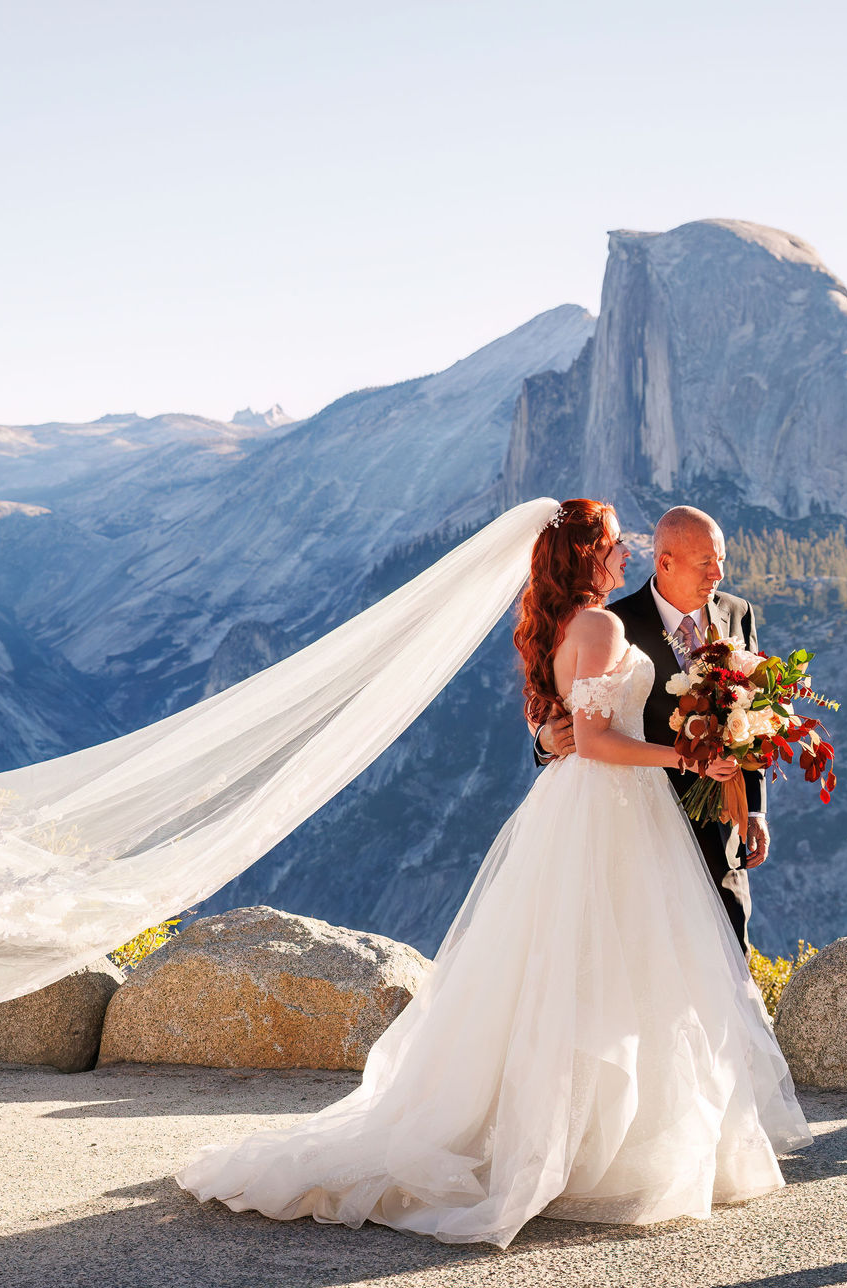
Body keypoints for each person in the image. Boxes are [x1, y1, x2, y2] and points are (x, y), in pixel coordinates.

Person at [178, 499, 811, 1248]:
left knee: (591, 977)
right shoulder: (609, 624)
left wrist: (732, 779)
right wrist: (685, 756)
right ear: (588, 556)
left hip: (610, 814)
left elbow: (570, 721)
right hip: (617, 810)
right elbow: (590, 739)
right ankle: (591, 1151)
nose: (626, 553)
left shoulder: (580, 626)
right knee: (609, 972)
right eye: (614, 545)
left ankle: (592, 1137)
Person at [536, 505, 766, 950]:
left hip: (723, 824)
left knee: (730, 960)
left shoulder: (738, 612)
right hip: (637, 822)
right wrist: (544, 741)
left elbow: (753, 718)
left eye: (721, 559)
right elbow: (568, 711)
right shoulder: (614, 622)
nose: (717, 574)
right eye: (705, 562)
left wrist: (754, 809)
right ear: (666, 563)